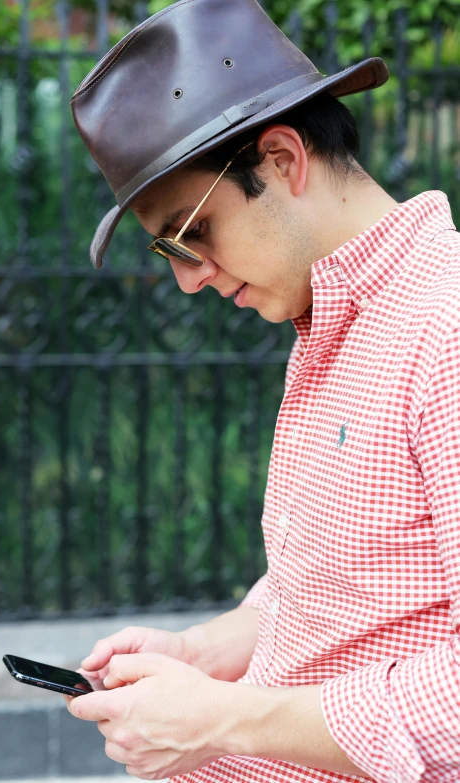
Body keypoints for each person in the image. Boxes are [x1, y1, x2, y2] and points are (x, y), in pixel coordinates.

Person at [67, 1, 460, 781]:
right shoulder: (330, 323)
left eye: (192, 232)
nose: (187, 280)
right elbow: (347, 590)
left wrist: (228, 722)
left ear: (282, 159)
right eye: (165, 250)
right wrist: (200, 651)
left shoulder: (444, 326)